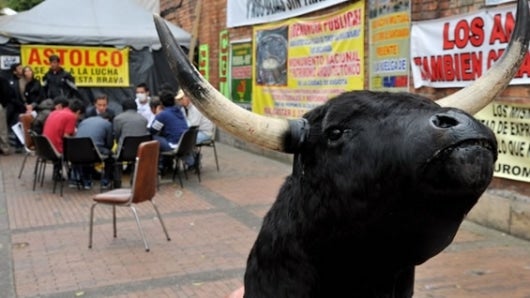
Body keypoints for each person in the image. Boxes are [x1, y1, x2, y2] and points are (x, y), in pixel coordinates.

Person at [42, 99, 85, 181]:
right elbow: (67, 137)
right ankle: (77, 176)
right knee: (81, 151)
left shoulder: (54, 112)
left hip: (45, 148)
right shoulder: (71, 116)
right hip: (57, 150)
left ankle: (58, 172)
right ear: (78, 112)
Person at [149, 89, 189, 172]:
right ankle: (167, 164)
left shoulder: (163, 115)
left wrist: (157, 114)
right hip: (184, 144)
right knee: (162, 135)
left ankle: (159, 166)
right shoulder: (178, 111)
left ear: (161, 103)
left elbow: (152, 131)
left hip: (173, 145)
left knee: (152, 137)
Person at [112, 99, 149, 186]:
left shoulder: (118, 119)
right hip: (141, 152)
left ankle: (117, 182)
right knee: (135, 159)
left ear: (123, 108)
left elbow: (116, 134)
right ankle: (134, 181)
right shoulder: (144, 119)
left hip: (124, 152)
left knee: (116, 159)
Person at [75, 112, 114, 189]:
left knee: (86, 155)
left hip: (77, 152)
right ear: (108, 119)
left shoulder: (84, 121)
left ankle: (86, 181)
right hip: (94, 152)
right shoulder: (107, 124)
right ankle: (105, 181)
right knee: (110, 156)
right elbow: (110, 144)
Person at [0, 77, 13, 155]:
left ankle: (5, 148)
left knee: (2, 129)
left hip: (0, 105)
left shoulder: (2, 80)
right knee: (2, 128)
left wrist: (3, 103)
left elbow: (6, 92)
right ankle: (4, 148)